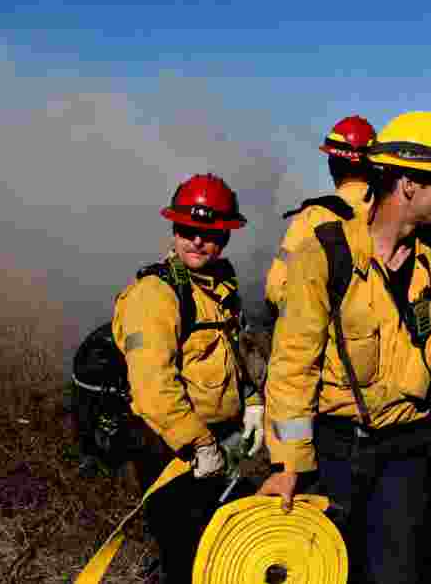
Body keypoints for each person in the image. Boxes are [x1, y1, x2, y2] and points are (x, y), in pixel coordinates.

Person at [258, 111, 431, 584]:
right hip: (335, 449)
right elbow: (293, 364)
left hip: (409, 449)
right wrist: (288, 464)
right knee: (329, 569)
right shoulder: (325, 255)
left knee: (396, 571)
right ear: (408, 184)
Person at [112, 173, 264, 584]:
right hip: (171, 451)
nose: (197, 241)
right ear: (175, 228)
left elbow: (233, 352)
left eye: (209, 233)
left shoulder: (219, 288)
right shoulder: (155, 294)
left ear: (226, 237)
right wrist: (197, 444)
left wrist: (251, 400)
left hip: (217, 442)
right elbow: (151, 386)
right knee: (187, 558)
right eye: (188, 230)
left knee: (222, 557)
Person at [264, 115, 376, 320]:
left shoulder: (313, 217)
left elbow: (276, 288)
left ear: (332, 166)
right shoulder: (389, 212)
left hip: (332, 344)